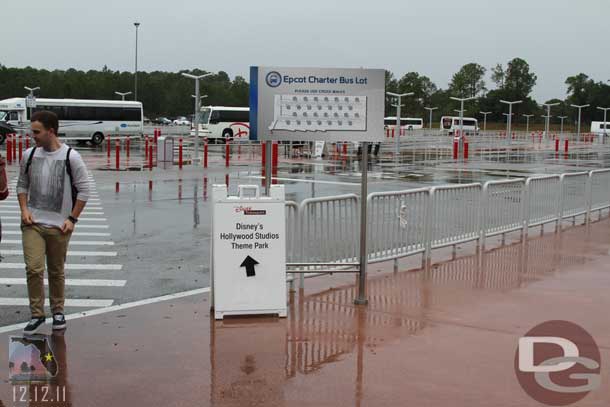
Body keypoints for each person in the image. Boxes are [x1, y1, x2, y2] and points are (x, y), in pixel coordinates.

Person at [17, 111, 90, 334]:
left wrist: (72, 219)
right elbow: (22, 185)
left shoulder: (71, 156)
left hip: (59, 226)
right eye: (32, 131)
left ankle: (58, 311)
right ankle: (37, 314)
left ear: (51, 131)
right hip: (33, 224)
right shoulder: (29, 155)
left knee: (56, 271)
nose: (33, 136)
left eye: (37, 132)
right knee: (34, 268)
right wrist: (24, 210)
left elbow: (84, 190)